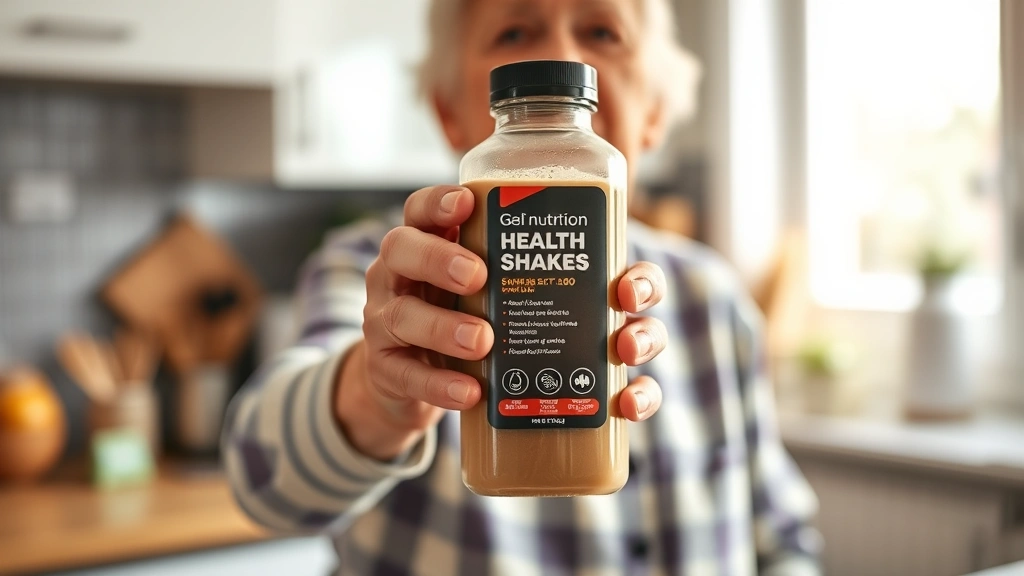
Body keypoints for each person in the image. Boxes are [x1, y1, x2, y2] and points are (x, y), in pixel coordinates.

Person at [222, 0, 821, 574]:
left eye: (603, 32)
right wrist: (376, 395)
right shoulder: (383, 273)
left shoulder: (712, 297)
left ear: (657, 109)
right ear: (449, 110)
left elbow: (782, 536)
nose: (561, 53)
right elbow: (262, 482)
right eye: (513, 32)